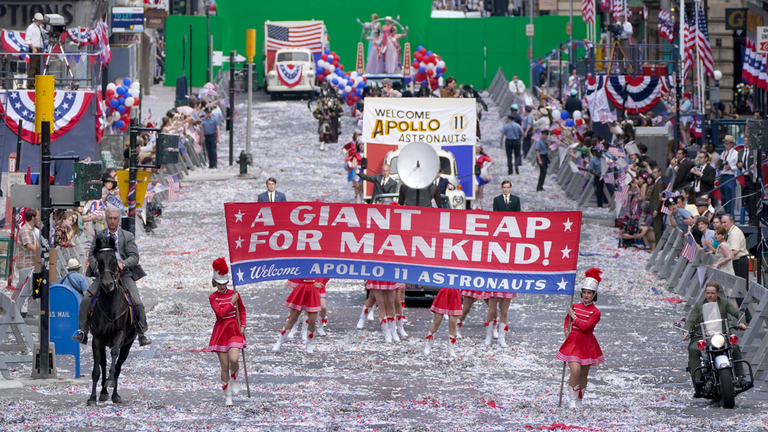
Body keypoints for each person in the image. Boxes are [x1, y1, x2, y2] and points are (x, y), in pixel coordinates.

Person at [73, 205, 151, 347]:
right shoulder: (100, 235)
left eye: (115, 218)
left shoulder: (127, 236)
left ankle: (142, 333)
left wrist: (123, 264)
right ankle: (82, 331)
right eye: (110, 218)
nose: (113, 221)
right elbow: (92, 254)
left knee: (138, 302)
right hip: (104, 274)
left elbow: (134, 256)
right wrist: (98, 269)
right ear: (106, 219)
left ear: (119, 220)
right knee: (86, 299)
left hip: (124, 274)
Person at [682, 282, 749, 396]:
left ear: (717, 293)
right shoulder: (699, 305)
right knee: (694, 349)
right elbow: (690, 320)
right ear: (705, 293)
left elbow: (737, 313)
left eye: (713, 293)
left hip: (721, 334)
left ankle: (740, 377)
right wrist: (686, 331)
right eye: (708, 293)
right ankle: (698, 380)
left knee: (735, 346)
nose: (710, 295)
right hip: (702, 335)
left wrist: (742, 323)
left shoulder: (724, 302)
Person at [557, 268, 605, 409]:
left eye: (589, 293)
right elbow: (567, 319)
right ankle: (571, 398)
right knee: (575, 371)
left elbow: (585, 327)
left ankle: (579, 399)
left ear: (594, 294)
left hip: (587, 344)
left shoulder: (596, 312)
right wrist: (566, 329)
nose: (586, 295)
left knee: (584, 374)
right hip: (573, 342)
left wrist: (574, 316)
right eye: (584, 292)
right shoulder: (575, 306)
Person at [207, 258, 246, 407]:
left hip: (234, 330)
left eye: (224, 284)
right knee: (224, 365)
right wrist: (232, 302)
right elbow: (221, 313)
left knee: (234, 360)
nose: (222, 287)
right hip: (221, 332)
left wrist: (243, 324)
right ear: (215, 283)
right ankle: (227, 394)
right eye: (219, 284)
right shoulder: (213, 297)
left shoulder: (235, 293)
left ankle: (235, 378)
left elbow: (242, 310)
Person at [272, 278, 329, 353]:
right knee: (292, 318)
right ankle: (279, 342)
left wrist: (322, 283)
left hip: (313, 290)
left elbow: (327, 270)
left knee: (312, 320)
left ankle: (309, 344)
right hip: (301, 288)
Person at [423, 288, 462, 358]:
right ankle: (428, 345)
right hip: (444, 291)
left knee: (453, 323)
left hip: (455, 293)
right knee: (437, 321)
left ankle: (451, 349)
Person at [721, 215, 749, 285]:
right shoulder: (731, 231)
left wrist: (723, 259)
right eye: (722, 222)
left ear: (731, 222)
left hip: (739, 262)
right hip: (737, 261)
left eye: (725, 222)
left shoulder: (734, 233)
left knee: (740, 286)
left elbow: (735, 251)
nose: (723, 224)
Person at [737, 139, 759, 225]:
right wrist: (738, 165)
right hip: (743, 176)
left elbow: (759, 160)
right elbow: (738, 162)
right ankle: (749, 218)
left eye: (748, 140)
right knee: (745, 199)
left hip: (752, 176)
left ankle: (754, 219)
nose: (746, 142)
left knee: (752, 198)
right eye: (745, 140)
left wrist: (756, 163)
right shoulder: (741, 151)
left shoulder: (754, 151)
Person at [25, 13, 45, 90]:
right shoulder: (30, 28)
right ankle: (30, 85)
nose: (40, 22)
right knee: (33, 67)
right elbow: (27, 40)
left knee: (39, 67)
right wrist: (33, 48)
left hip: (40, 49)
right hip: (34, 49)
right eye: (39, 20)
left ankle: (38, 84)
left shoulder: (40, 28)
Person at [649, 166, 666, 247]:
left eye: (655, 172)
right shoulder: (656, 182)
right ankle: (658, 245)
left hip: (657, 210)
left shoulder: (660, 183)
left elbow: (659, 197)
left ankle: (659, 246)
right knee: (656, 229)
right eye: (653, 173)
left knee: (658, 229)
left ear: (660, 173)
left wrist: (656, 210)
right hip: (654, 208)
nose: (654, 174)